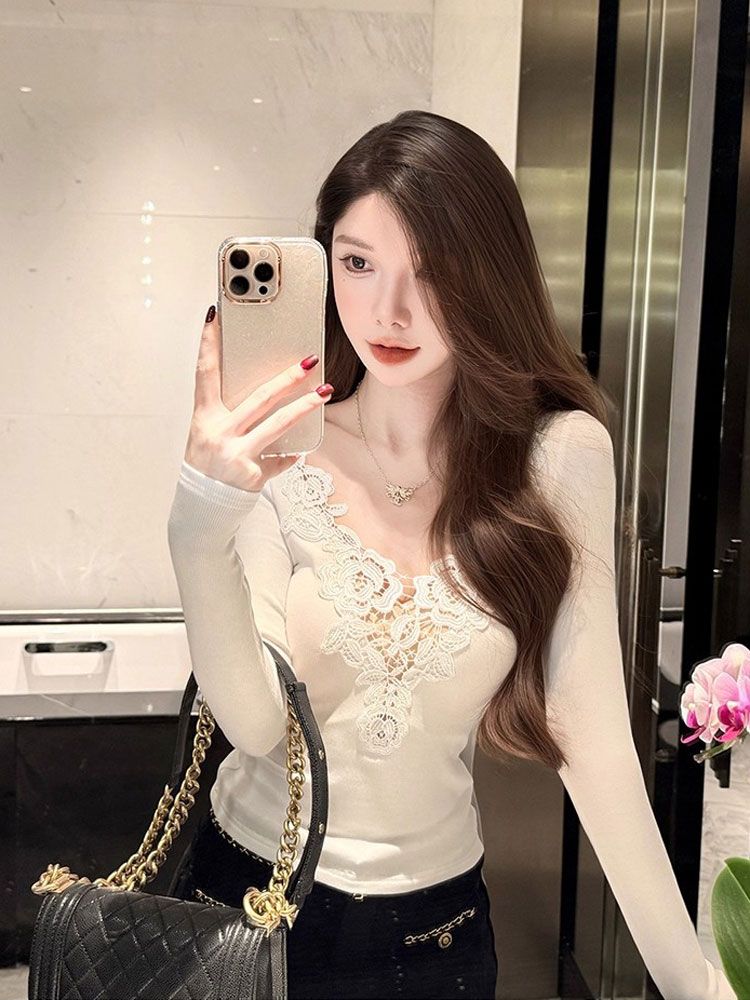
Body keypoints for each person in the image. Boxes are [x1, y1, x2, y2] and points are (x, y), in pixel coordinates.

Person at [166, 110, 737, 1000]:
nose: (388, 311)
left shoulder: (559, 456)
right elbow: (254, 725)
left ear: (489, 274)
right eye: (358, 263)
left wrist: (693, 983)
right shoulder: (281, 452)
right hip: (245, 911)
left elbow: (592, 741)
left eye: (432, 271)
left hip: (435, 935)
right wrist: (200, 521)